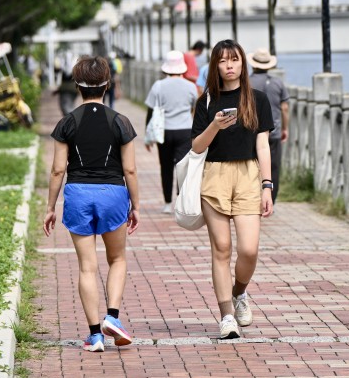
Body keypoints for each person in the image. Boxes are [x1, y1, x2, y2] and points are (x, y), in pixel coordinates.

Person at [44, 56, 140, 353]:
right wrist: (135, 205)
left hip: (78, 194)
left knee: (87, 266)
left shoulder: (67, 123)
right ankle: (113, 316)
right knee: (118, 259)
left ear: (76, 86)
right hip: (113, 193)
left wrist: (50, 206)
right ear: (107, 84)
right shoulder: (120, 121)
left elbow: (58, 169)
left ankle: (95, 335)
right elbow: (131, 170)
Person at [190, 40, 274, 339]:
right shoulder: (206, 102)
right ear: (215, 65)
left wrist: (267, 185)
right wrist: (214, 126)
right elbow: (197, 146)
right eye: (223, 61)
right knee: (221, 249)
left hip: (249, 174)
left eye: (234, 60)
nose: (229, 65)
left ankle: (239, 292)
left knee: (249, 249)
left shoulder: (257, 99)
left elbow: (263, 144)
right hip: (215, 175)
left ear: (243, 64)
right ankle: (226, 316)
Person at [144, 50, 198, 213]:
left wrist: (148, 136)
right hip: (185, 131)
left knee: (165, 167)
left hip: (164, 132)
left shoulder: (158, 86)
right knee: (182, 167)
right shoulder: (190, 86)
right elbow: (195, 108)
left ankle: (168, 203)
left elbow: (150, 112)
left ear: (166, 68)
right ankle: (181, 202)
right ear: (182, 67)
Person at [247, 49, 288, 203]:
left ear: (253, 65)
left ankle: (254, 197)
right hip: (275, 131)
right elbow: (284, 108)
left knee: (254, 165)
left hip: (253, 131)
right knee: (274, 167)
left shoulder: (247, 82)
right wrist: (285, 128)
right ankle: (272, 199)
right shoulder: (278, 82)